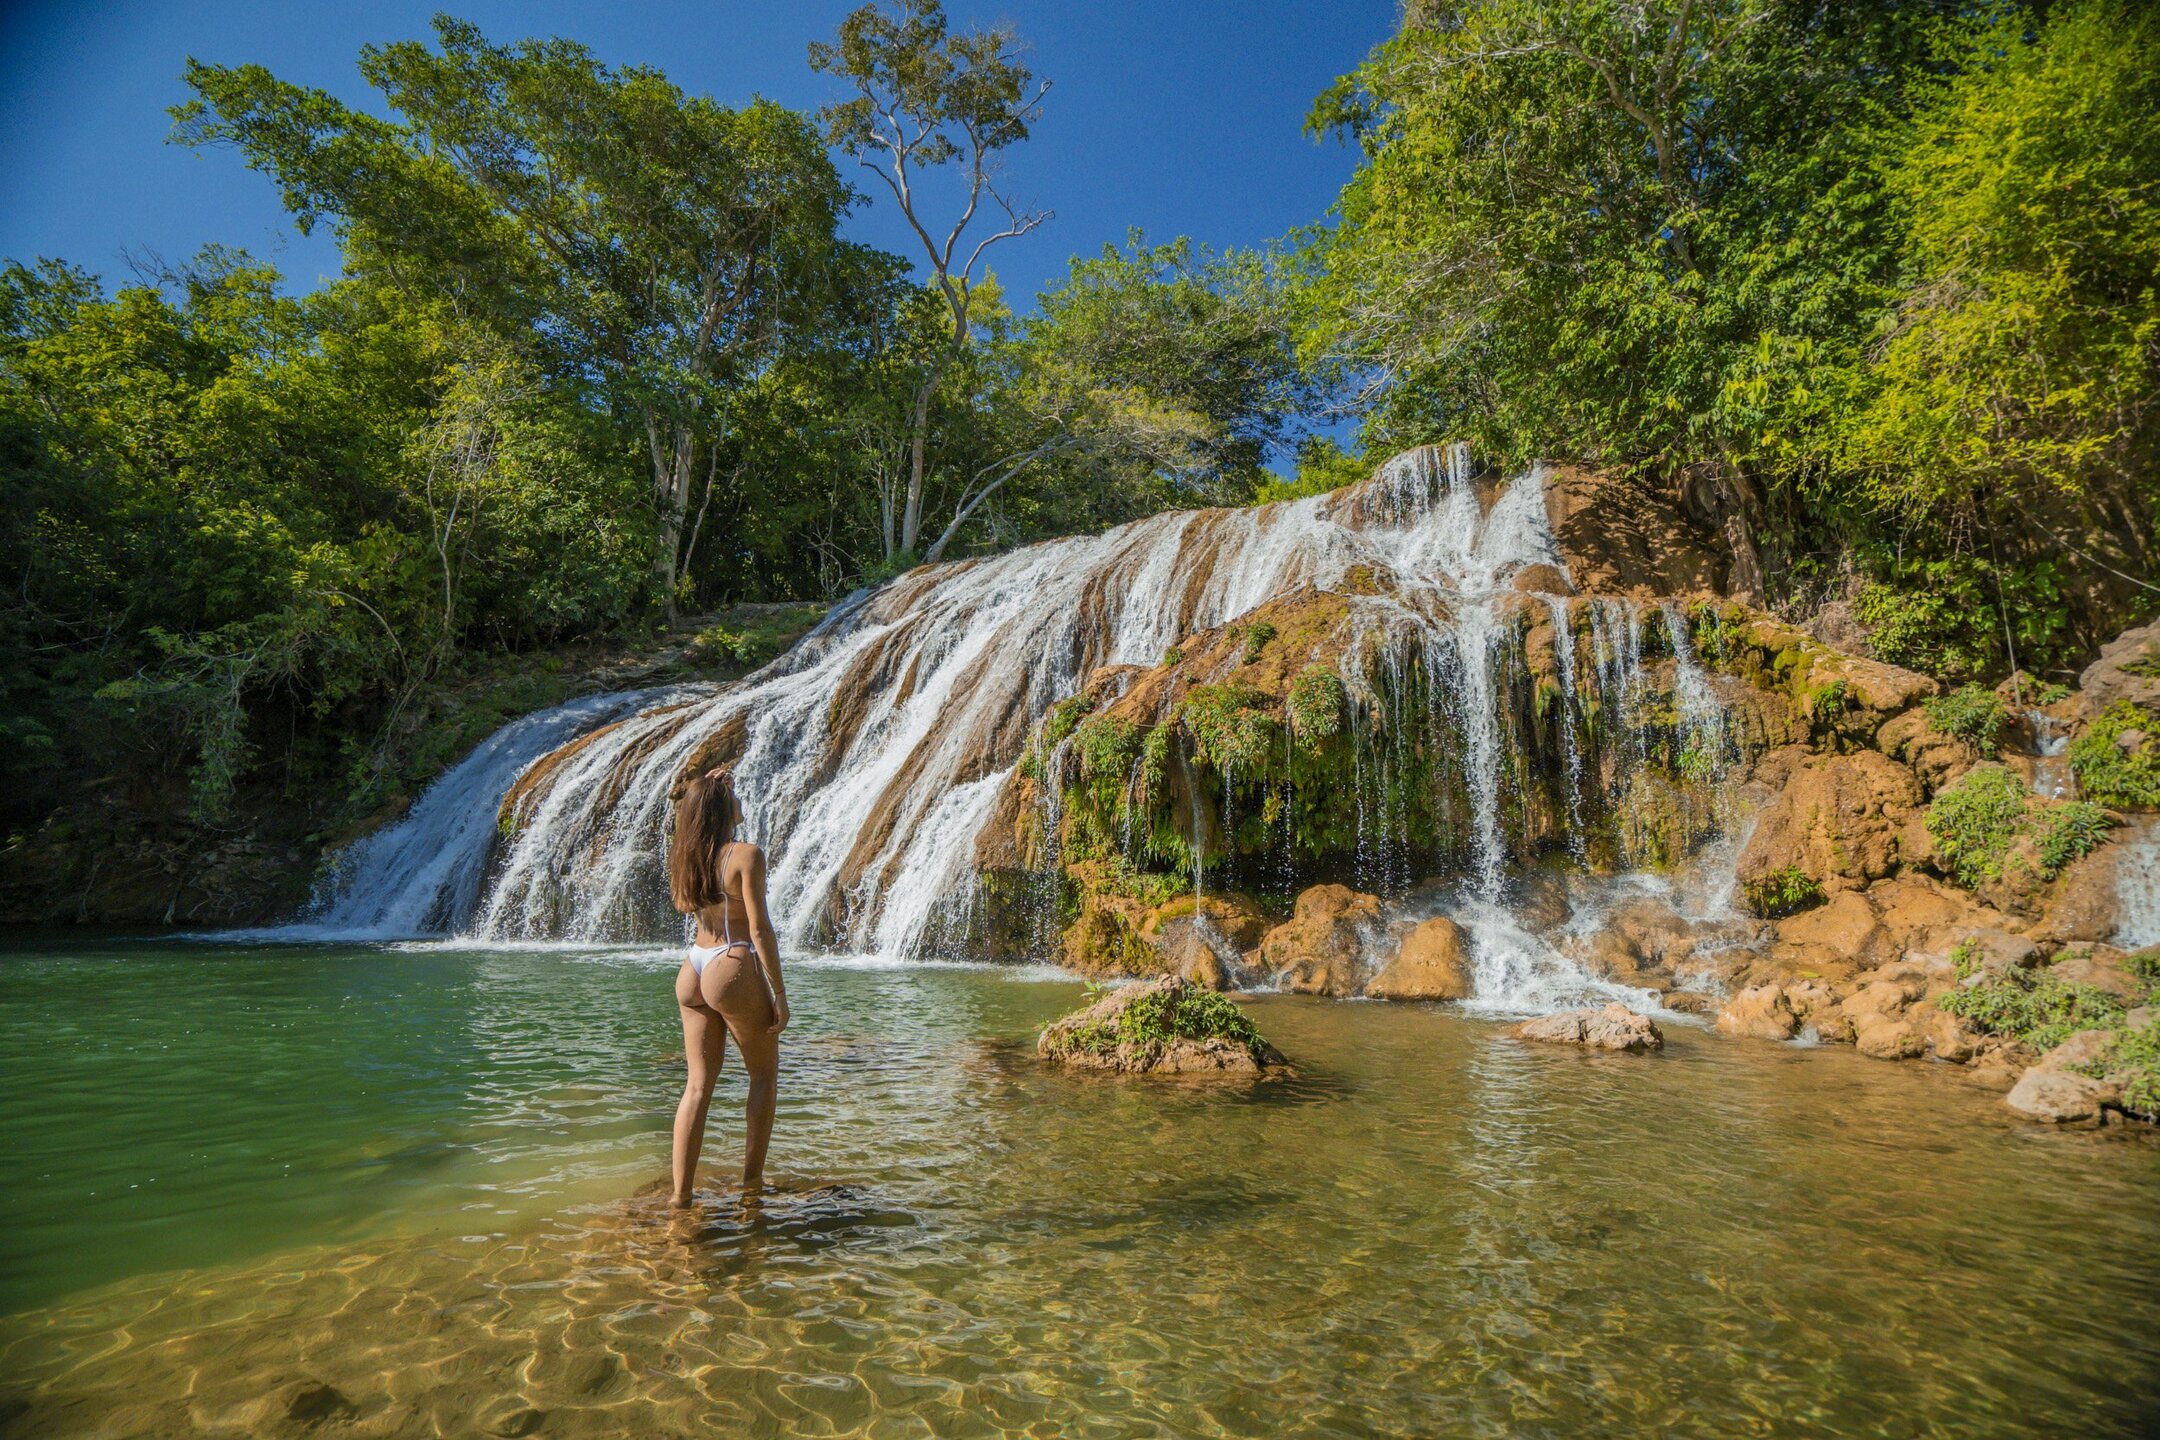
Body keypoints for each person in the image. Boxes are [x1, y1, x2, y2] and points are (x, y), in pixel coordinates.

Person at [667, 766, 789, 1205]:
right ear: (722, 808)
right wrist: (779, 992)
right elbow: (760, 930)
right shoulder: (746, 855)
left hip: (694, 967)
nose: (741, 799)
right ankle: (751, 1186)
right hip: (732, 963)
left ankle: (680, 1197)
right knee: (763, 1077)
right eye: (732, 794)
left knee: (697, 1086)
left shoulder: (687, 856)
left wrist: (710, 784)